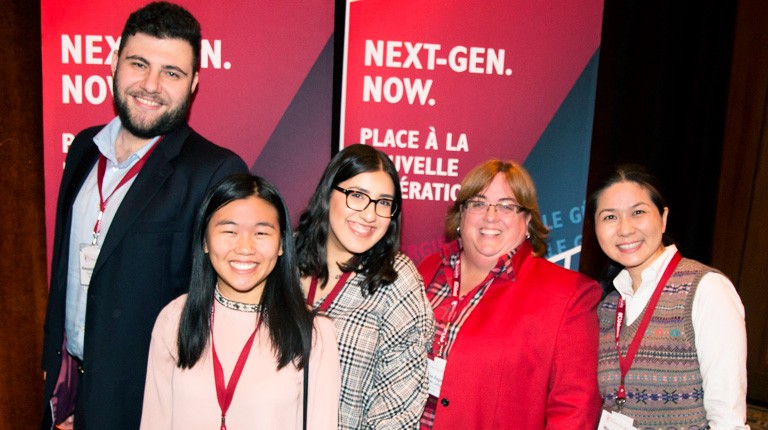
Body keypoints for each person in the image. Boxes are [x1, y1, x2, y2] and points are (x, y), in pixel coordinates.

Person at [41, 2, 248, 429]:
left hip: (144, 402)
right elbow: (64, 272)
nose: (150, 85)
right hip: (65, 388)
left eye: (171, 73)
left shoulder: (215, 171)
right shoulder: (83, 149)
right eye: (138, 64)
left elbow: (218, 313)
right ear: (115, 64)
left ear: (193, 84)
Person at [140, 173, 340, 429]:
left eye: (261, 233)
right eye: (229, 231)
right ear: (205, 240)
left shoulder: (313, 333)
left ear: (281, 244)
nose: (245, 247)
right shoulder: (175, 318)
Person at [418, 159, 603, 429]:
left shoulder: (569, 296)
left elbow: (575, 410)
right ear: (462, 215)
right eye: (478, 203)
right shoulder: (426, 271)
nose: (490, 216)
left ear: (527, 220)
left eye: (507, 206)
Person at [589, 164, 748, 429]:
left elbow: (727, 418)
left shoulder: (706, 289)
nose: (625, 229)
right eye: (609, 217)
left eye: (638, 212)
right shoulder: (607, 306)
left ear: (663, 218)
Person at [295, 144, 434, 429]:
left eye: (383, 202)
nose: (370, 215)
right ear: (327, 193)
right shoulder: (281, 259)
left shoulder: (398, 280)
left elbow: (398, 409)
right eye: (357, 196)